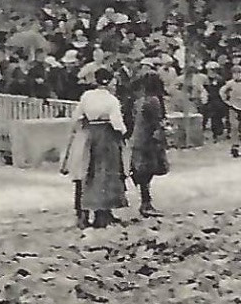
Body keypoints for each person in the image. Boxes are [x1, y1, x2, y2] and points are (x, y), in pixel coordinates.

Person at [60, 65, 128, 228]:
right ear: (110, 81)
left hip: (88, 134)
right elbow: (117, 123)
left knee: (85, 172)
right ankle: (102, 214)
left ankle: (82, 215)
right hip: (106, 136)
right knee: (104, 174)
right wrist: (123, 132)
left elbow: (76, 116)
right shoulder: (112, 100)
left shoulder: (87, 96)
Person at [128, 71, 170, 217]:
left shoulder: (139, 101)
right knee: (149, 170)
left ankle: (145, 201)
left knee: (143, 171)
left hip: (138, 138)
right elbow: (157, 122)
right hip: (149, 140)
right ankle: (146, 203)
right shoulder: (154, 101)